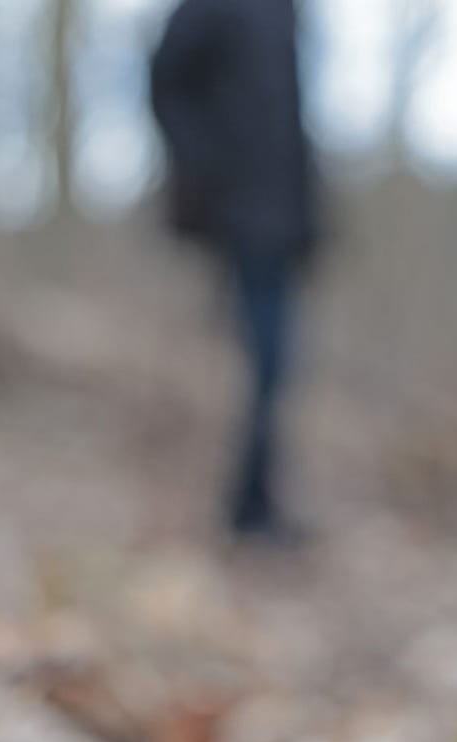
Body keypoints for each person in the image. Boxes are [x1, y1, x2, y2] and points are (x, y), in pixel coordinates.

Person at [149, 0, 320, 544]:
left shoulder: (287, 13)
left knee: (275, 370)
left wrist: (310, 220)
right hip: (238, 214)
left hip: (281, 222)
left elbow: (289, 123)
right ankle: (235, 512)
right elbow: (165, 80)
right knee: (251, 364)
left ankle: (254, 505)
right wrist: (206, 173)